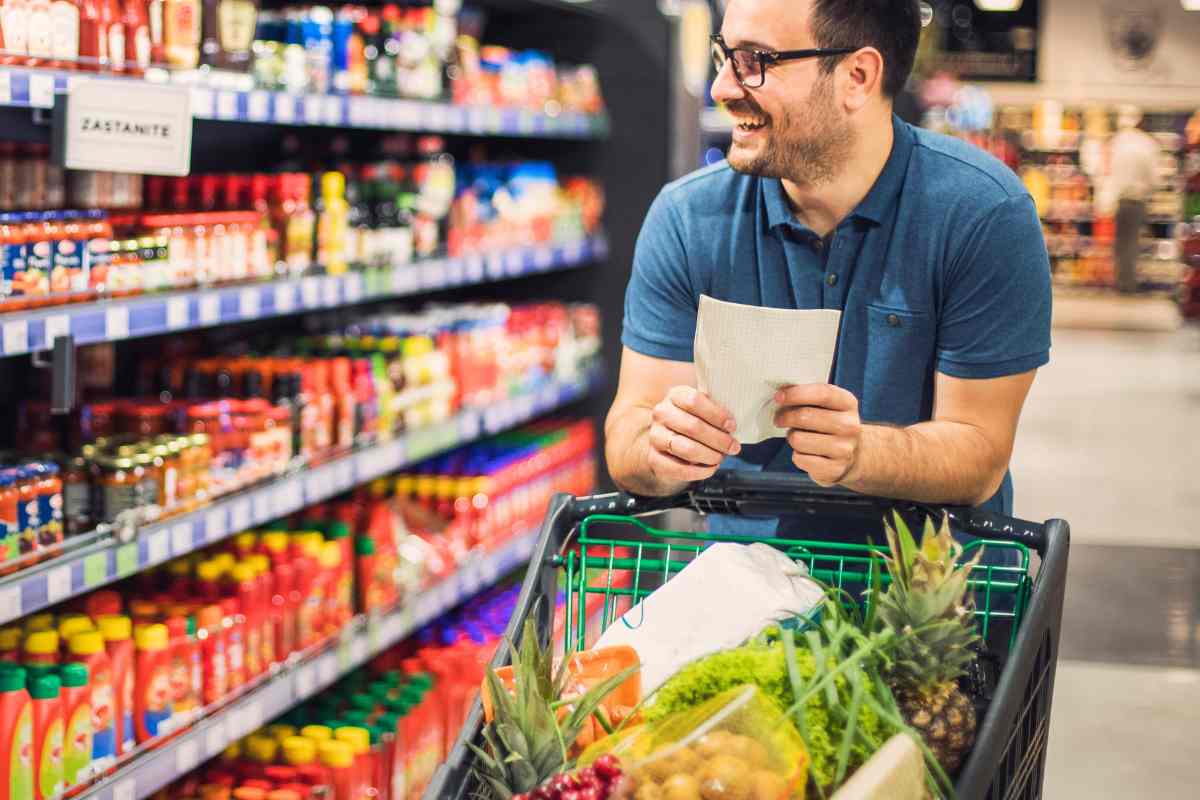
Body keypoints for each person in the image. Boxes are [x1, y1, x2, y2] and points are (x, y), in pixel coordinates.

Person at [605, 0, 1052, 541]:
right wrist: (660, 446)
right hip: (743, 599)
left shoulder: (981, 214)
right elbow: (627, 436)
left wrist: (862, 451)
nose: (722, 86)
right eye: (724, 55)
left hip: (932, 599)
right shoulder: (687, 218)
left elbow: (979, 453)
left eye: (755, 60)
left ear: (856, 77)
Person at [1108, 105, 1159, 294]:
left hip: (1121, 200)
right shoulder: (1147, 143)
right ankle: (1129, 284)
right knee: (1133, 242)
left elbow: (1110, 173)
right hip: (1138, 200)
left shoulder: (1117, 141)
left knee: (1121, 243)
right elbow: (1154, 177)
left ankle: (1122, 281)